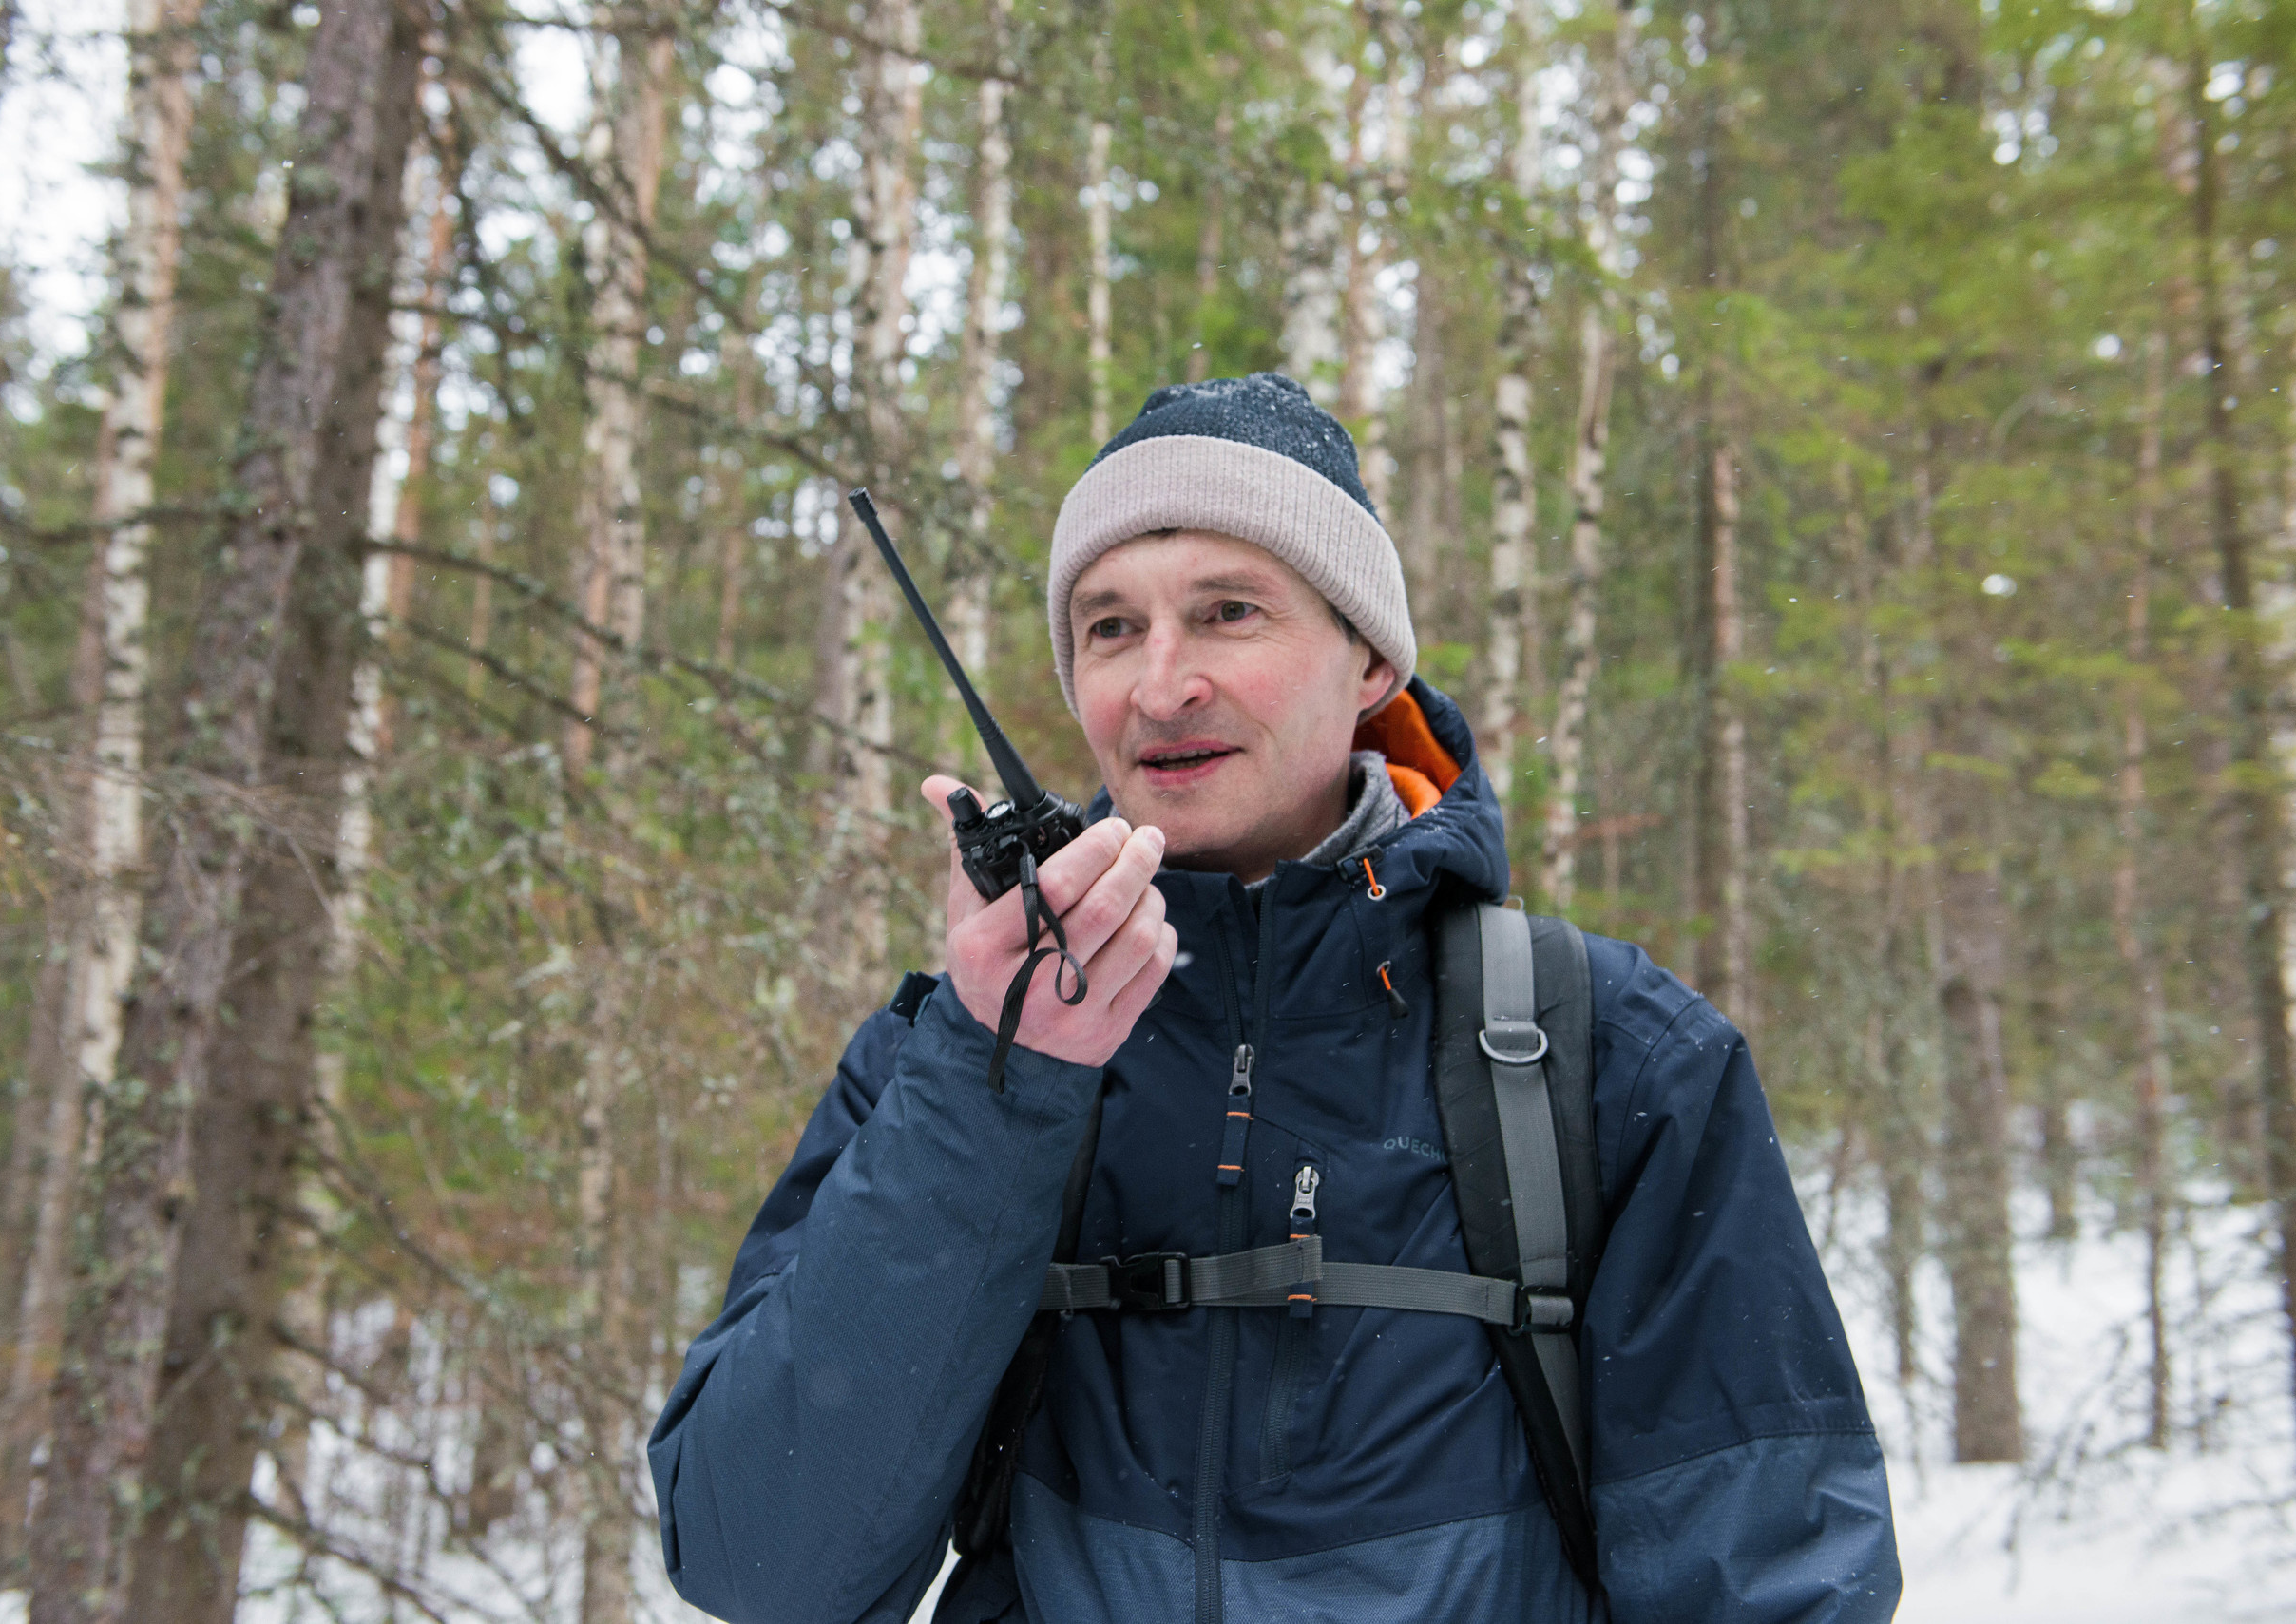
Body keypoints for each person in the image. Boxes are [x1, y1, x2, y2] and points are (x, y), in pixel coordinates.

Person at [647, 372, 1902, 1623]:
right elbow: (763, 1565)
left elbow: (1777, 1584)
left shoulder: (1613, 1055)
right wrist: (999, 1087)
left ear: (1369, 658)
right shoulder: (951, 1055)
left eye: (1229, 611)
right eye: (1110, 627)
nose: (1161, 685)